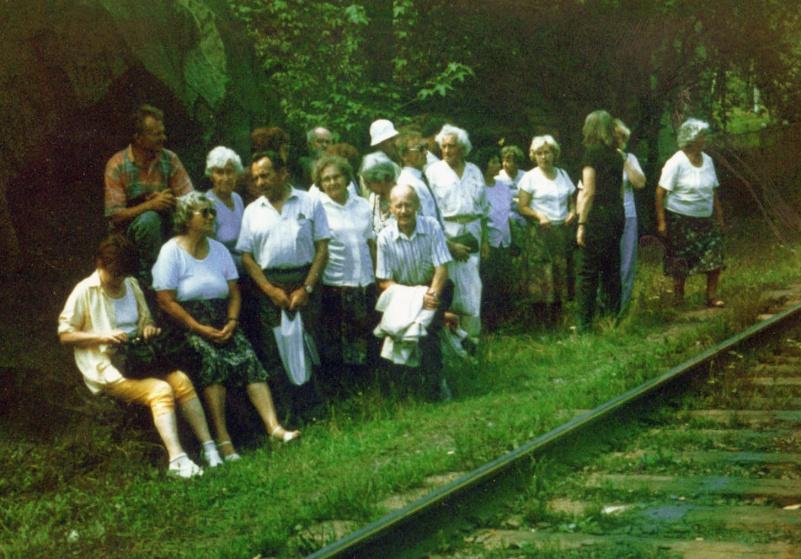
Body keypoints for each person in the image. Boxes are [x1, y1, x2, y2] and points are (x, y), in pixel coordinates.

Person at [153, 192, 299, 461]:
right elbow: (165, 300)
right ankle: (223, 440)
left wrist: (232, 321)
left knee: (248, 358)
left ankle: (274, 427)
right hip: (188, 325)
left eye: (212, 212)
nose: (211, 217)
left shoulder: (219, 250)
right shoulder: (171, 251)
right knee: (212, 362)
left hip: (223, 320)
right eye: (204, 212)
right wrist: (198, 327)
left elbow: (234, 292)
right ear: (187, 218)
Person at [59, 235, 219, 478]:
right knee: (161, 391)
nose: (118, 280)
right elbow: (65, 334)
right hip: (108, 367)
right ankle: (177, 459)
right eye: (114, 274)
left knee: (182, 381)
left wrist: (148, 328)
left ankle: (210, 449)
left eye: (123, 275)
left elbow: (146, 320)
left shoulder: (131, 284)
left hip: (139, 359)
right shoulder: (85, 290)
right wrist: (102, 336)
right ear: (99, 263)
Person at [236, 151, 330, 416]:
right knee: (274, 349)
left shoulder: (310, 202)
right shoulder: (252, 211)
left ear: (283, 173)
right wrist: (269, 290)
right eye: (255, 178)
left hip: (305, 279)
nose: (260, 182)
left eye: (265, 175)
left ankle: (316, 407)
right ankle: (286, 411)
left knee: (310, 343)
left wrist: (307, 288)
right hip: (270, 285)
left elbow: (322, 249)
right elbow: (247, 256)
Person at [375, 184, 453, 400]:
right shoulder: (385, 237)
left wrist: (432, 296)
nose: (403, 211)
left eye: (408, 205)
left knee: (428, 335)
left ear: (417, 206)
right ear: (390, 208)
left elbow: (442, 268)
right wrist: (414, 298)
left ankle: (436, 387)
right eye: (398, 206)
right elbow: (384, 280)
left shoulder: (432, 226)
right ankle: (405, 389)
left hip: (434, 288)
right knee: (398, 336)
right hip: (401, 295)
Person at [104, 104, 194, 290]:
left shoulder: (170, 159)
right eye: (156, 134)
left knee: (192, 217)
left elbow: (190, 199)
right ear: (138, 138)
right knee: (149, 220)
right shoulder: (117, 165)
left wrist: (170, 201)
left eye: (163, 132)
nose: (163, 138)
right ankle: (150, 281)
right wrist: (151, 205)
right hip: (127, 235)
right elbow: (114, 215)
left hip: (166, 225)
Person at [314, 155, 377, 393]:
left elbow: (370, 243)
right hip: (336, 284)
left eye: (336, 177)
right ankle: (344, 393)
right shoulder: (318, 207)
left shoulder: (361, 205)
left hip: (365, 281)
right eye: (326, 179)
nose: (331, 183)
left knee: (366, 335)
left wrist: (377, 276)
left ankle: (368, 388)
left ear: (346, 177)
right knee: (339, 343)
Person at [425, 124, 489, 341]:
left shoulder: (474, 171)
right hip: (447, 231)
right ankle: (451, 340)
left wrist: (486, 240)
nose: (446, 151)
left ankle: (472, 337)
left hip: (473, 230)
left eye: (451, 146)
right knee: (449, 283)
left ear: (462, 148)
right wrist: (446, 242)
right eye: (443, 146)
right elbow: (429, 211)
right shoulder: (433, 172)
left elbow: (484, 209)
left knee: (472, 284)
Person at [656, 118, 725, 308]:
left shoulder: (708, 160)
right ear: (692, 139)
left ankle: (711, 296)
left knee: (715, 255)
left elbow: (713, 191)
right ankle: (679, 296)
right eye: (703, 136)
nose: (705, 139)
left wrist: (719, 215)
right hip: (680, 218)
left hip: (705, 218)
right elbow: (660, 192)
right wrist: (662, 222)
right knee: (681, 259)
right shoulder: (676, 162)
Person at [517, 135, 577, 325]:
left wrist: (572, 212)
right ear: (534, 155)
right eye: (539, 153)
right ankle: (540, 322)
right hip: (540, 233)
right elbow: (522, 206)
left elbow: (572, 202)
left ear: (554, 153)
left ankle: (558, 319)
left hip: (561, 232)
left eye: (547, 152)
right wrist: (539, 216)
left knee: (560, 272)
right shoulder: (530, 177)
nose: (544, 157)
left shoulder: (562, 174)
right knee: (541, 274)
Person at [575, 110, 625, 331]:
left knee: (588, 272)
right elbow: (620, 190)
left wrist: (581, 223)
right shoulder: (616, 154)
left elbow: (588, 191)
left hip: (598, 216)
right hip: (616, 214)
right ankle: (612, 320)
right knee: (611, 269)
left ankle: (584, 325)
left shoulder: (591, 154)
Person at [472, 146, 513, 329]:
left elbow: (507, 212)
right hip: (489, 243)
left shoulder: (503, 186)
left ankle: (504, 320)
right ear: (485, 164)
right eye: (494, 161)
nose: (499, 165)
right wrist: (485, 242)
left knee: (503, 282)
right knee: (489, 283)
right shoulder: (478, 187)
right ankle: (489, 323)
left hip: (505, 241)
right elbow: (481, 216)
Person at [614, 119, 647, 312]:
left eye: (621, 138)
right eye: (614, 138)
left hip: (628, 215)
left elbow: (640, 183)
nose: (618, 141)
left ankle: (623, 309)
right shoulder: (598, 158)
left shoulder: (630, 158)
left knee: (626, 263)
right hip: (606, 217)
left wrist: (624, 160)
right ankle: (607, 307)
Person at [203, 146, 245, 269]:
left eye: (230, 171)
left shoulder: (237, 198)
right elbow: (209, 249)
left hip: (243, 258)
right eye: (220, 172)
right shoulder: (207, 203)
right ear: (211, 176)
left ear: (236, 174)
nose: (226, 178)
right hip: (222, 263)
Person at [396, 129, 442, 224]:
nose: (426, 153)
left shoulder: (421, 179)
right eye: (420, 149)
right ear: (404, 155)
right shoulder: (407, 183)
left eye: (426, 147)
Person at [360, 152, 399, 235]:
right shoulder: (373, 199)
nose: (366, 187)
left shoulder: (404, 196)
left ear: (382, 179)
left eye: (368, 183)